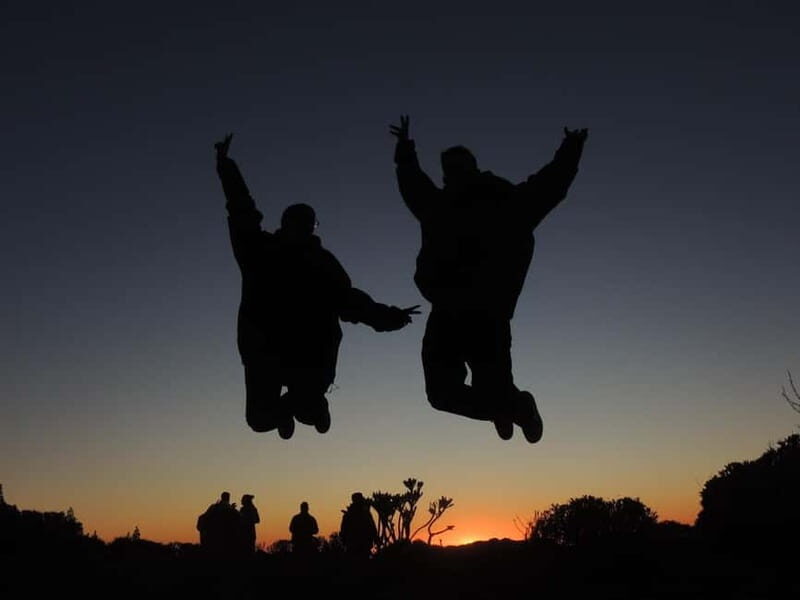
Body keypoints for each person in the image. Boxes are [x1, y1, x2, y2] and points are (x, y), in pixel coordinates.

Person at [389, 115, 588, 442]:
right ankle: (505, 406)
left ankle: (514, 404)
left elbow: (549, 185)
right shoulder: (439, 206)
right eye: (447, 170)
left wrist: (570, 149)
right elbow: (413, 185)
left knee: (488, 388)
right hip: (446, 313)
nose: (451, 175)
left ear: (472, 167)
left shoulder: (505, 202)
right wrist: (405, 150)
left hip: (486, 315)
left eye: (457, 168)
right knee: (441, 394)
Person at [214, 134, 420, 438]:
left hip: (311, 354)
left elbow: (350, 302)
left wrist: (389, 317)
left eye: (308, 226)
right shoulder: (260, 251)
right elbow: (241, 209)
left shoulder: (321, 263)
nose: (305, 231)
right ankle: (289, 411)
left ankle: (310, 407)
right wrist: (226, 166)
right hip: (265, 351)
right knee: (259, 421)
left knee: (308, 412)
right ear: (290, 226)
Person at [197, 491, 239, 555]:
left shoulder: (214, 507)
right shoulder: (229, 508)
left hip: (213, 535)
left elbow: (205, 516)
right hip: (225, 535)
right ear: (228, 498)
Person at [339, 492, 378, 558]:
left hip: (359, 544)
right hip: (357, 544)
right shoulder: (364, 513)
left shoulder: (350, 514)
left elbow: (343, 530)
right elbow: (372, 527)